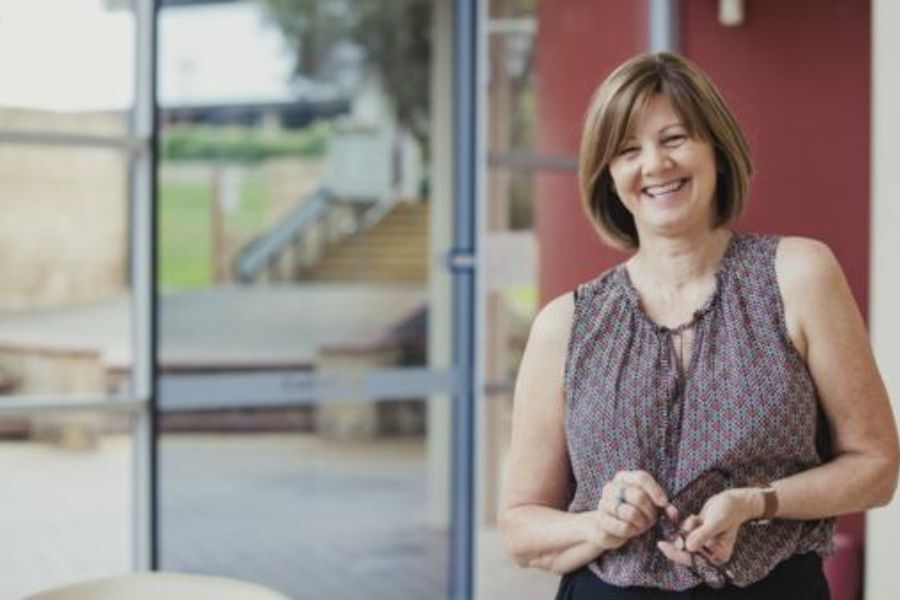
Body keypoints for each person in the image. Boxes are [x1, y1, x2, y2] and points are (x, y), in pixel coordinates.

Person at [498, 51, 899, 599]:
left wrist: (758, 501)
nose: (655, 164)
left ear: (716, 148)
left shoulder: (799, 275)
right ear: (608, 175)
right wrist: (599, 523)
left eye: (675, 138)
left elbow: (876, 467)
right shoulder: (564, 325)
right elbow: (520, 528)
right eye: (628, 150)